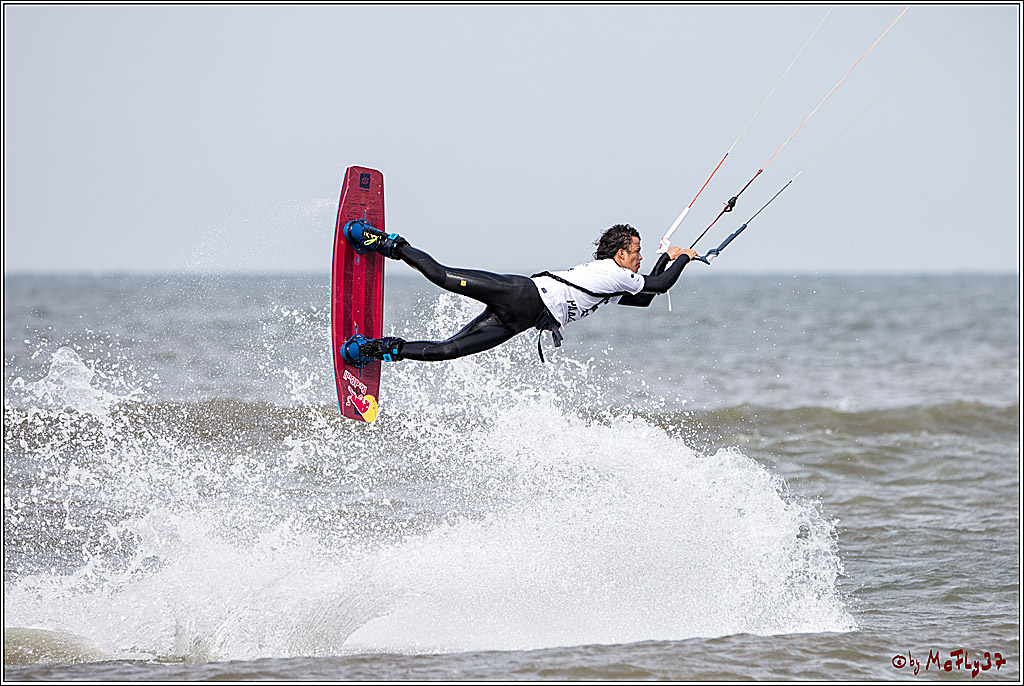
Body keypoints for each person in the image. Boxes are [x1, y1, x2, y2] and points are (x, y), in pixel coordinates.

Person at [340, 221, 697, 365]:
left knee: (447, 351)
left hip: (520, 320)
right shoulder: (614, 273)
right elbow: (659, 284)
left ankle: (379, 348)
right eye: (637, 252)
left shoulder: (615, 281)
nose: (640, 258)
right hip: (521, 294)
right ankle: (384, 243)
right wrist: (681, 259)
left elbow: (647, 296)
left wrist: (668, 258)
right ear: (621, 254)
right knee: (442, 276)